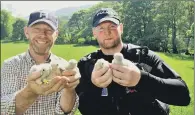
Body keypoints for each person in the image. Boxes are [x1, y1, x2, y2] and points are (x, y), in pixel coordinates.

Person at [76, 8, 191, 115]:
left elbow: (183, 96)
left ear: (121, 28)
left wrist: (141, 79)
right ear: (94, 32)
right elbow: (83, 108)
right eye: (101, 28)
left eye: (112, 26)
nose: (107, 32)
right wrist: (94, 86)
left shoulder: (143, 57)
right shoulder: (86, 64)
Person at [1, 10, 80, 115]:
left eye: (49, 30)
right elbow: (4, 110)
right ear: (26, 32)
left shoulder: (63, 66)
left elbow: (65, 111)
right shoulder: (11, 65)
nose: (42, 35)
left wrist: (70, 89)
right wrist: (31, 91)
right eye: (36, 29)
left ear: (56, 34)